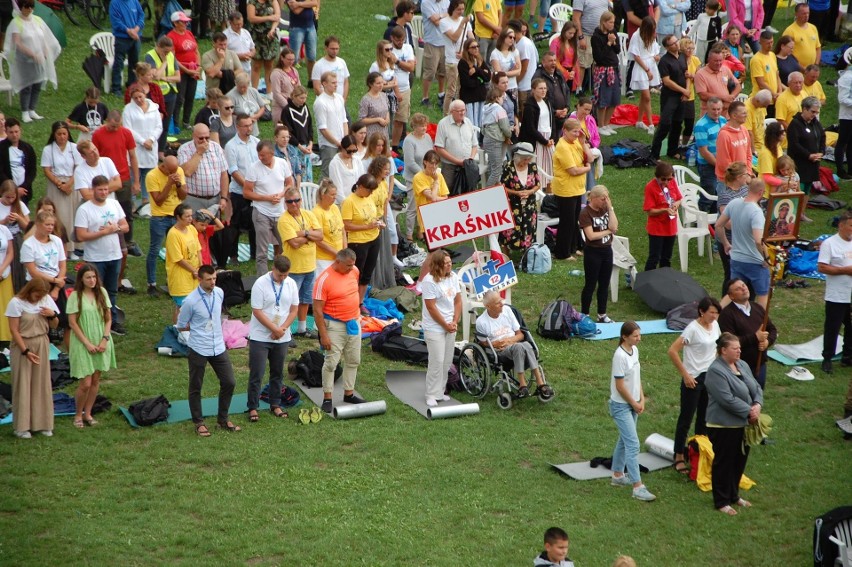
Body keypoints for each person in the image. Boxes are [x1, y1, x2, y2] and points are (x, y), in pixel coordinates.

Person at [704, 332, 763, 515]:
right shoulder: (715, 371)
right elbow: (726, 399)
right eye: (734, 348)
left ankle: (733, 495)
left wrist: (758, 405)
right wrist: (749, 411)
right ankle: (721, 501)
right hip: (723, 426)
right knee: (724, 462)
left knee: (739, 461)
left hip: (743, 424)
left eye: (739, 348)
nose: (739, 351)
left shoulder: (742, 365)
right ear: (723, 350)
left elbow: (756, 387)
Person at [177, 265, 240, 436]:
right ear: (200, 279)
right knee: (196, 385)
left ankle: (223, 418)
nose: (212, 282)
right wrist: (197, 329)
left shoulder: (219, 293)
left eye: (214, 279)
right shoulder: (190, 301)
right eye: (209, 279)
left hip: (218, 346)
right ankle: (198, 422)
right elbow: (181, 325)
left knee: (229, 382)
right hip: (198, 347)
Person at [667, 295, 722, 474]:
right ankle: (678, 456)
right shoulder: (692, 329)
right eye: (711, 313)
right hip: (693, 378)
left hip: (709, 377)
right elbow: (673, 351)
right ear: (702, 311)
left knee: (704, 418)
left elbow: (717, 346)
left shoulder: (715, 325)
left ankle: (698, 451)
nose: (714, 316)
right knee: (686, 417)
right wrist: (686, 375)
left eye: (716, 313)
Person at [312, 248, 367, 413]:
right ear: (338, 262)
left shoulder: (354, 271)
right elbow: (317, 310)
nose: (351, 268)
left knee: (353, 360)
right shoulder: (324, 280)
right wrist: (324, 335)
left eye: (353, 265)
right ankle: (327, 397)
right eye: (348, 265)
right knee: (331, 363)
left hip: (353, 323)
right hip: (334, 326)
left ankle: (349, 394)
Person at [74, 174, 129, 335]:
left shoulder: (114, 204)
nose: (104, 193)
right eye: (100, 190)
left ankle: (111, 321)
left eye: (106, 189)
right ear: (93, 190)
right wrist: (104, 233)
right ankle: (95, 319)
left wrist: (116, 229)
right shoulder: (85, 209)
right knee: (95, 289)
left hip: (114, 254)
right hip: (95, 257)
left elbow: (125, 226)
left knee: (111, 290)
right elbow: (81, 235)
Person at [609, 321, 656, 502]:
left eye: (639, 335)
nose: (639, 338)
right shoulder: (619, 356)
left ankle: (618, 475)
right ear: (624, 337)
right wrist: (634, 403)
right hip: (621, 405)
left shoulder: (634, 351)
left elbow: (636, 378)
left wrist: (641, 399)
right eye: (635, 336)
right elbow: (620, 386)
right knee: (633, 444)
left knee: (625, 439)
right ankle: (638, 486)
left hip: (633, 403)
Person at [247, 255, 298, 422]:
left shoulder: (290, 283)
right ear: (273, 269)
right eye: (279, 275)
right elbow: (257, 311)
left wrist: (281, 329)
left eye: (285, 275)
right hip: (260, 336)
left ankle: (275, 404)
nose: (283, 278)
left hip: (281, 336)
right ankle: (253, 407)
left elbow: (294, 310)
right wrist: (274, 328)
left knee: (277, 373)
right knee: (257, 372)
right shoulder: (260, 283)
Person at [6, 277, 58, 438]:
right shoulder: (16, 303)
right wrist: (25, 351)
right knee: (23, 383)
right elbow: (14, 331)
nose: (39, 297)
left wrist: (52, 315)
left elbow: (55, 325)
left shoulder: (46, 299)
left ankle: (43, 423)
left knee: (41, 383)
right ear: (30, 291)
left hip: (41, 342)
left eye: (42, 294)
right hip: (23, 344)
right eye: (37, 294)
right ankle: (21, 426)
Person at [477, 290, 552, 398]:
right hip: (500, 351)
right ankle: (529, 384)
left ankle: (535, 384)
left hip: (516, 344)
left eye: (501, 300)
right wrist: (496, 343)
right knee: (522, 346)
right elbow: (483, 343)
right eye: (498, 303)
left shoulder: (507, 310)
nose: (502, 303)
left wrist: (510, 340)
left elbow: (520, 335)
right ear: (488, 306)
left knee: (525, 344)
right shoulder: (482, 321)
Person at [67, 263, 115, 429]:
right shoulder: (75, 296)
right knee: (85, 383)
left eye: (94, 277)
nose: (92, 280)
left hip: (101, 338)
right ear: (81, 279)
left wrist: (104, 339)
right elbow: (72, 323)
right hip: (83, 341)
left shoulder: (102, 293)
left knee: (95, 380)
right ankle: (78, 414)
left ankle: (88, 413)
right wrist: (87, 343)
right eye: (88, 277)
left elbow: (108, 318)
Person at [92, 111, 142, 262]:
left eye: (118, 126)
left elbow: (133, 156)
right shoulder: (98, 134)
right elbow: (95, 157)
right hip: (105, 178)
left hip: (123, 177)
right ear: (107, 121)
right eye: (113, 126)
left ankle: (128, 241)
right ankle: (106, 239)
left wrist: (136, 181)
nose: (116, 129)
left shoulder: (126, 133)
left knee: (126, 211)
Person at [715, 177, 771, 307]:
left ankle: (716, 315)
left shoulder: (734, 203)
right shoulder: (756, 212)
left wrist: (726, 243)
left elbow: (718, 225)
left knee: (731, 294)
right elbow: (758, 241)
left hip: (737, 259)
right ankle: (760, 324)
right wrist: (766, 258)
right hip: (755, 262)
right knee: (763, 295)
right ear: (761, 192)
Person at [277, 186, 321, 338]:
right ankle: (286, 331)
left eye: (296, 200)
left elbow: (320, 235)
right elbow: (293, 244)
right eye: (290, 202)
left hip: (310, 265)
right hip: (294, 267)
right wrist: (311, 235)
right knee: (289, 302)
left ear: (301, 200)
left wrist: (304, 233)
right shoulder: (283, 220)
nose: (294, 204)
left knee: (305, 300)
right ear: (285, 203)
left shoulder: (308, 214)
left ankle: (302, 328)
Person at [244, 140, 293, 276]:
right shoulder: (254, 168)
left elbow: (290, 182)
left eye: (263, 155)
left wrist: (282, 194)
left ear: (272, 153)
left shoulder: (282, 163)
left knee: (285, 246)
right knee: (262, 250)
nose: (260, 158)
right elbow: (247, 192)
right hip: (261, 212)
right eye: (259, 155)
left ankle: (285, 274)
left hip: (280, 212)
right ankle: (262, 280)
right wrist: (267, 198)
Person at [718, 278, 777, 389]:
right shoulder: (727, 315)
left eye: (743, 285)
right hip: (739, 366)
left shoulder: (757, 308)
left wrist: (767, 342)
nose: (743, 289)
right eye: (738, 289)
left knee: (757, 399)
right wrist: (755, 337)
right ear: (731, 296)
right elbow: (728, 342)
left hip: (760, 363)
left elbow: (772, 329)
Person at [421, 249, 461, 407]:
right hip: (434, 327)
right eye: (446, 264)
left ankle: (440, 391)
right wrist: (445, 324)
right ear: (438, 265)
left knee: (446, 361)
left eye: (450, 263)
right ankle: (431, 393)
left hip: (450, 324)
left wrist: (454, 321)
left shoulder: (453, 277)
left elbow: (458, 301)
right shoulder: (429, 281)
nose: (449, 265)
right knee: (436, 361)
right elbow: (431, 307)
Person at [817, 210, 852, 374]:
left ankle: (848, 356)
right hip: (837, 295)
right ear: (841, 226)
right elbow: (822, 267)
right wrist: (846, 270)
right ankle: (827, 358)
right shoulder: (829, 244)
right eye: (851, 226)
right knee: (833, 326)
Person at [552, 119, 592, 261]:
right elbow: (573, 170)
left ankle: (573, 247)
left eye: (578, 131)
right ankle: (562, 253)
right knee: (566, 222)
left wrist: (582, 142)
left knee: (575, 220)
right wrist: (587, 168)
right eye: (574, 132)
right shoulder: (562, 146)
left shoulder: (576, 142)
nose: (577, 134)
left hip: (577, 188)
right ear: (565, 131)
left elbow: (591, 158)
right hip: (565, 189)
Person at [146, 156, 186, 296]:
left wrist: (179, 184)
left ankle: (174, 282)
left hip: (175, 217)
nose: (173, 174)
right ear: (164, 166)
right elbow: (158, 201)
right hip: (159, 217)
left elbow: (183, 196)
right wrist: (169, 183)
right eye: (171, 171)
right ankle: (151, 284)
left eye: (175, 171)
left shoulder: (178, 171)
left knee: (175, 251)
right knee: (155, 250)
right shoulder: (152, 176)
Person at [40, 122, 82, 257]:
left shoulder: (73, 148)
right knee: (60, 216)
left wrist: (69, 184)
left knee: (73, 214)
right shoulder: (48, 149)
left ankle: (74, 247)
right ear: (54, 135)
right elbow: (46, 170)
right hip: (55, 184)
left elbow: (78, 167)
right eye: (59, 134)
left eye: (64, 133)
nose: (62, 137)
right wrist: (60, 184)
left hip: (72, 183)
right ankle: (63, 247)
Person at [579, 185, 618, 323]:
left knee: (604, 284)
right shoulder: (585, 213)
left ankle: (602, 314)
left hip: (607, 250)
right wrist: (608, 231)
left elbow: (614, 226)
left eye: (607, 198)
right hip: (593, 252)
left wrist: (610, 208)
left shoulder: (606, 208)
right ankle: (585, 314)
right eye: (603, 199)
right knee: (590, 284)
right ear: (594, 198)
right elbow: (591, 236)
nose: (605, 201)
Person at [342, 174, 382, 305]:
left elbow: (372, 216)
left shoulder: (368, 197)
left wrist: (377, 223)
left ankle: (360, 302)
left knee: (367, 273)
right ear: (361, 187)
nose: (371, 193)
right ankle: (351, 302)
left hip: (374, 238)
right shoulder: (349, 201)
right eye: (369, 190)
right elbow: (346, 225)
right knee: (356, 273)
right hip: (358, 242)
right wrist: (366, 226)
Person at [122, 87, 163, 212]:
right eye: (135, 98)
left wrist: (151, 139)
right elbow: (128, 129)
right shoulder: (128, 110)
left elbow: (158, 126)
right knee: (135, 175)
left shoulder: (154, 108)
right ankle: (132, 202)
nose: (139, 100)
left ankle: (146, 201)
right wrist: (142, 141)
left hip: (151, 146)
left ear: (145, 94)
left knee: (148, 174)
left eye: (140, 96)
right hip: (136, 147)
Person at [178, 124, 230, 216]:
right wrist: (199, 153)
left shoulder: (216, 148)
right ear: (193, 136)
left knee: (214, 228)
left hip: (215, 199)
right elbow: (187, 172)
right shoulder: (184, 149)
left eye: (207, 138)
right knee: (193, 228)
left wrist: (224, 197)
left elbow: (224, 174)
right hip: (194, 199)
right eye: (201, 138)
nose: (205, 141)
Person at [786, 96, 824, 222]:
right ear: (804, 109)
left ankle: (801, 213)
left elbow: (822, 136)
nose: (815, 115)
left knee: (807, 188)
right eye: (813, 112)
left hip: (813, 163)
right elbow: (794, 144)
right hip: (799, 163)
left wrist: (821, 152)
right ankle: (793, 214)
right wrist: (809, 155)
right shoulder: (795, 124)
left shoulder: (815, 123)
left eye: (817, 112)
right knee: (798, 189)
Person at [651, 34, 689, 161]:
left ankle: (672, 150)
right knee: (665, 124)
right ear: (667, 47)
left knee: (678, 123)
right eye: (673, 44)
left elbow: (686, 74)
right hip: (670, 96)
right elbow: (667, 81)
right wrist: (683, 90)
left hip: (682, 96)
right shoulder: (665, 61)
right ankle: (654, 154)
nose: (676, 44)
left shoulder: (682, 56)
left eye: (676, 41)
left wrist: (686, 92)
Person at [499, 143, 539, 252]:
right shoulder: (509, 166)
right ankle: (506, 256)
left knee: (528, 230)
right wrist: (516, 193)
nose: (527, 162)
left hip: (529, 206)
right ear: (518, 157)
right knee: (509, 232)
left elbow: (538, 185)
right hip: (513, 205)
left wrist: (530, 191)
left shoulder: (532, 166)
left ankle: (526, 256)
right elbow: (502, 187)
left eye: (528, 159)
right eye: (525, 159)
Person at [643, 161, 682, 271]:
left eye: (669, 179)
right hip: (657, 228)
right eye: (663, 179)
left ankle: (665, 282)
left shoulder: (672, 182)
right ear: (657, 177)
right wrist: (665, 210)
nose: (666, 182)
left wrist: (676, 204)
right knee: (654, 257)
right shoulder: (650, 187)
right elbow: (649, 211)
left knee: (666, 258)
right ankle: (648, 282)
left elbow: (679, 198)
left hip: (671, 227)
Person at [167, 11, 201, 132]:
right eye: (183, 22)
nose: (186, 24)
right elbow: (173, 58)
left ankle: (186, 121)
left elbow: (196, 51)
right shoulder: (171, 37)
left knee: (190, 96)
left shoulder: (189, 34)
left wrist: (198, 66)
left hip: (193, 69)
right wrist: (186, 70)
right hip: (181, 71)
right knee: (179, 98)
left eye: (187, 22)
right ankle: (175, 122)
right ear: (175, 23)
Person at [145, 36, 180, 153]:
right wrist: (164, 62)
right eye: (165, 51)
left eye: (169, 51)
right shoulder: (150, 56)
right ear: (158, 47)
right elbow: (156, 76)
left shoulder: (171, 55)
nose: (168, 53)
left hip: (171, 93)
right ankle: (152, 147)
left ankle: (160, 151)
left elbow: (178, 77)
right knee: (154, 123)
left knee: (165, 124)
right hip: (156, 95)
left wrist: (166, 78)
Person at [166, 203, 201, 320]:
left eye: (191, 216)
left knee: (194, 304)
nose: (190, 219)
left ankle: (189, 330)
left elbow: (198, 249)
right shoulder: (173, 234)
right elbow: (178, 259)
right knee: (182, 306)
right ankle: (177, 330)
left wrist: (200, 268)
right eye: (187, 216)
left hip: (195, 274)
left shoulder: (191, 229)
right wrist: (194, 271)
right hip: (180, 275)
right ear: (178, 217)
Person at [402, 113, 435, 239]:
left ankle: (421, 230)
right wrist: (424, 174)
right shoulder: (408, 141)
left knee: (425, 205)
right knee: (412, 207)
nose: (424, 128)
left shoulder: (427, 137)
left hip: (428, 176)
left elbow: (431, 155)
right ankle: (409, 234)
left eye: (425, 125)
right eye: (421, 126)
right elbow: (410, 163)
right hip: (413, 178)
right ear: (414, 126)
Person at [435, 100, 479, 192]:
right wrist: (458, 161)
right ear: (452, 111)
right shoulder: (443, 124)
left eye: (464, 110)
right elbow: (439, 148)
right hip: (450, 167)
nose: (462, 113)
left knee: (469, 191)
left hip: (468, 166)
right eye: (459, 111)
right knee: (447, 191)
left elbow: (474, 145)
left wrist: (470, 159)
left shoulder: (468, 122)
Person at [314, 71, 349, 180]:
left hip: (341, 142)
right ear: (324, 84)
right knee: (327, 173)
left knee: (342, 172)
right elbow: (323, 129)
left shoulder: (339, 98)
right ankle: (318, 195)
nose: (336, 85)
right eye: (333, 83)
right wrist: (337, 143)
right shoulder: (320, 102)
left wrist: (345, 140)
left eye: (336, 82)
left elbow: (344, 120)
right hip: (329, 144)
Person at [439, 1, 472, 115]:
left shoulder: (466, 21)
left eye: (463, 9)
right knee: (451, 91)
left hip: (463, 60)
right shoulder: (444, 22)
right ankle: (446, 114)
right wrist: (462, 23)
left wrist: (465, 52)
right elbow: (454, 37)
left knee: (461, 89)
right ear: (452, 9)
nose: (461, 12)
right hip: (452, 61)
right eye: (458, 9)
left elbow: (471, 40)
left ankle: (459, 112)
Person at [590, 11, 621, 135]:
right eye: (610, 22)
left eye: (613, 22)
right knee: (603, 99)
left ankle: (607, 124)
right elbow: (599, 57)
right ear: (604, 22)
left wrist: (613, 42)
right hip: (602, 70)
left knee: (614, 98)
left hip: (614, 68)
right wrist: (608, 43)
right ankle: (600, 125)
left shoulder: (613, 33)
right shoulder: (596, 37)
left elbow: (618, 50)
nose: (612, 24)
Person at [628, 17, 660, 134]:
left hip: (650, 64)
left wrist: (656, 57)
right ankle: (651, 124)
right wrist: (647, 70)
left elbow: (655, 50)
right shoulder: (636, 36)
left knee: (644, 96)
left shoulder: (651, 35)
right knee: (646, 96)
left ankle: (639, 121)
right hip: (642, 67)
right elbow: (636, 56)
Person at [693, 98, 726, 213]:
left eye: (718, 109)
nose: (716, 112)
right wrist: (719, 166)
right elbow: (704, 152)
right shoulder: (701, 125)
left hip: (721, 163)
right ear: (707, 108)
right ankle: (699, 220)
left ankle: (713, 221)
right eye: (713, 109)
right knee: (708, 195)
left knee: (719, 194)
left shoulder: (723, 120)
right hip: (708, 166)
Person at [714, 100, 752, 197]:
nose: (746, 115)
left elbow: (748, 154)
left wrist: (747, 173)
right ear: (734, 116)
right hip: (727, 182)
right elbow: (724, 163)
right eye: (743, 113)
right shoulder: (724, 135)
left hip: (742, 179)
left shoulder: (744, 130)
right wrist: (742, 176)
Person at [388, 26, 417, 150]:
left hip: (405, 88)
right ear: (392, 38)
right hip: (388, 90)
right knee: (387, 120)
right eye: (397, 40)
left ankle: (394, 146)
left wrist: (397, 61)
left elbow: (411, 68)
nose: (400, 42)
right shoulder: (387, 49)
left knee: (400, 119)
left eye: (402, 40)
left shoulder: (408, 48)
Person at [694, 44, 741, 117]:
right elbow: (703, 95)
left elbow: (738, 85)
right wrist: (723, 98)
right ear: (708, 60)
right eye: (716, 61)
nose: (719, 63)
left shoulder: (725, 69)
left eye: (720, 60)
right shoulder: (700, 74)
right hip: (710, 116)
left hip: (727, 115)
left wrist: (731, 97)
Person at [109, 0, 144, 96]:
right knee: (119, 62)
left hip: (135, 37)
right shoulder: (114, 3)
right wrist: (128, 31)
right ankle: (116, 88)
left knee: (134, 63)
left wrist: (136, 29)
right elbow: (115, 21)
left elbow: (141, 16)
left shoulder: (135, 2)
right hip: (122, 38)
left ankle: (132, 86)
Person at [412, 150, 449, 241]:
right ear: (425, 162)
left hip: (440, 215)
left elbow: (446, 197)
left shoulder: (439, 176)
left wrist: (436, 198)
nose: (434, 166)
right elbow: (432, 198)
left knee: (441, 247)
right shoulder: (418, 178)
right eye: (431, 163)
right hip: (426, 216)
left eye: (436, 164)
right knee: (433, 249)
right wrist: (436, 181)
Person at [482, 86, 513, 189]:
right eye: (501, 97)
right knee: (497, 170)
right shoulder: (499, 109)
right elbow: (505, 127)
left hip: (487, 139)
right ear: (496, 98)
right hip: (495, 140)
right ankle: (487, 192)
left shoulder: (484, 109)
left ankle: (494, 189)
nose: (503, 99)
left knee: (492, 167)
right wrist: (509, 135)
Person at [533, 52, 571, 137]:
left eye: (554, 60)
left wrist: (567, 108)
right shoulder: (538, 77)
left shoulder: (558, 73)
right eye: (550, 61)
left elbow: (567, 91)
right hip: (549, 118)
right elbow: (538, 98)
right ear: (543, 62)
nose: (553, 63)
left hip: (563, 115)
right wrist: (554, 112)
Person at [0, 118, 37, 205]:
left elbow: (32, 170)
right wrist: (13, 189)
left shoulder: (27, 148)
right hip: (6, 193)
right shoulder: (1, 148)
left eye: (16, 132)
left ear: (20, 130)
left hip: (23, 191)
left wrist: (24, 187)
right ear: (6, 131)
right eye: (11, 132)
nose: (14, 135)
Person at [312, 179, 346, 275]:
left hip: (339, 255)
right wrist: (337, 253)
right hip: (324, 258)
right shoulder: (316, 212)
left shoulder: (335, 208)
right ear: (323, 195)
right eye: (332, 195)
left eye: (335, 194)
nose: (334, 197)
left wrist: (345, 250)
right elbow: (318, 240)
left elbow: (343, 230)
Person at [281, 85, 314, 183]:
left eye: (305, 98)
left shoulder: (305, 107)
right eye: (301, 98)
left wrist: (310, 143)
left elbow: (309, 126)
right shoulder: (287, 111)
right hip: (295, 147)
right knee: (298, 173)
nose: (303, 100)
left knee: (307, 173)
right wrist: (299, 146)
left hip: (306, 147)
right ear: (294, 96)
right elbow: (288, 132)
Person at [457, 37, 492, 128]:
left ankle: (479, 141)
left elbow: (488, 77)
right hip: (469, 98)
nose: (476, 48)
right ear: (467, 49)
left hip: (480, 96)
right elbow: (467, 83)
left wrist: (477, 70)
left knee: (480, 123)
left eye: (477, 46)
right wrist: (480, 80)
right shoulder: (463, 63)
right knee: (471, 124)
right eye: (473, 47)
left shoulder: (480, 60)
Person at [420, 0, 449, 108]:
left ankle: (441, 94)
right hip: (432, 42)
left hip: (445, 42)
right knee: (430, 72)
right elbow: (436, 22)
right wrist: (445, 15)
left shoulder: (446, 2)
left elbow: (451, 17)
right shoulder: (426, 3)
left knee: (443, 71)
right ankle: (425, 98)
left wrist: (440, 16)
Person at [246, 0, 280, 89]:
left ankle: (269, 91)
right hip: (256, 37)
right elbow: (251, 18)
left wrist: (272, 29)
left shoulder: (273, 1)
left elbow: (277, 17)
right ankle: (254, 90)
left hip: (270, 36)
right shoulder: (252, 2)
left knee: (269, 65)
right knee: (256, 65)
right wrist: (269, 18)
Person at [489, 28, 521, 112]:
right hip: (500, 88)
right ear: (503, 37)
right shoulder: (495, 53)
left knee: (514, 111)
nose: (512, 39)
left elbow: (518, 71)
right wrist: (512, 70)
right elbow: (499, 74)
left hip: (513, 86)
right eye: (510, 37)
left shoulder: (515, 51)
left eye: (514, 38)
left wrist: (505, 73)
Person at [310, 36, 350, 100]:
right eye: (332, 49)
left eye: (337, 49)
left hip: (340, 102)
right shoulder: (318, 65)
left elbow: (346, 82)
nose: (335, 51)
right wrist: (329, 100)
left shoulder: (342, 62)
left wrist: (343, 100)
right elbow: (317, 88)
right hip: (325, 103)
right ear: (326, 48)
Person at [783, 3, 821, 69]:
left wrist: (816, 65)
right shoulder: (790, 31)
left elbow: (818, 48)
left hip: (811, 69)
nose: (806, 16)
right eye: (803, 13)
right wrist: (802, 68)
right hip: (796, 70)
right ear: (796, 14)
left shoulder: (813, 28)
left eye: (808, 13)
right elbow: (786, 53)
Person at [287, 0, 319, 75]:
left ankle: (311, 81)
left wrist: (299, 3)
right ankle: (291, 80)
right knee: (293, 59)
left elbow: (315, 3)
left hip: (311, 27)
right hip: (296, 28)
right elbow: (296, 11)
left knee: (312, 57)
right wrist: (308, 3)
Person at [269, 48, 299, 124]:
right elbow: (276, 94)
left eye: (293, 59)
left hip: (294, 106)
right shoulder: (276, 73)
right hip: (281, 108)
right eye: (289, 59)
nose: (291, 62)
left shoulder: (294, 70)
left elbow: (299, 87)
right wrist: (288, 106)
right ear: (282, 58)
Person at [679, 37, 700, 146]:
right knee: (677, 121)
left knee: (690, 122)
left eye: (692, 48)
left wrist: (692, 76)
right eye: (688, 48)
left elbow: (700, 76)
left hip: (690, 95)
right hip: (679, 94)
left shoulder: (695, 60)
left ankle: (684, 144)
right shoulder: (678, 60)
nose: (690, 51)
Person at [359, 72, 391, 140]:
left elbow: (386, 109)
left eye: (382, 82)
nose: (381, 85)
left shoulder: (383, 95)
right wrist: (378, 119)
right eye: (378, 83)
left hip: (384, 132)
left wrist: (387, 119)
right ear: (371, 84)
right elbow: (362, 120)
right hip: (372, 133)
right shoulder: (366, 99)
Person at [551, 22, 580, 92]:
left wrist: (573, 71)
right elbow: (554, 59)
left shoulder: (572, 42)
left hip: (571, 71)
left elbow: (575, 59)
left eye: (573, 33)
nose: (572, 35)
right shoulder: (555, 42)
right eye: (570, 33)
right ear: (564, 31)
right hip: (559, 71)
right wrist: (565, 72)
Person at [224, 11, 256, 75]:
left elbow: (253, 48)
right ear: (230, 23)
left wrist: (251, 54)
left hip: (247, 68)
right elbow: (223, 53)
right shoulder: (225, 35)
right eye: (237, 24)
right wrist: (239, 56)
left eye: (241, 24)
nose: (239, 26)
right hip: (233, 70)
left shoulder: (246, 32)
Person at [745, 90, 772, 155]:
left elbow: (762, 124)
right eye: (763, 105)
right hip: (754, 146)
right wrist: (753, 151)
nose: (765, 107)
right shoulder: (747, 110)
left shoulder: (762, 105)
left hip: (762, 143)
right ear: (757, 101)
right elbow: (749, 133)